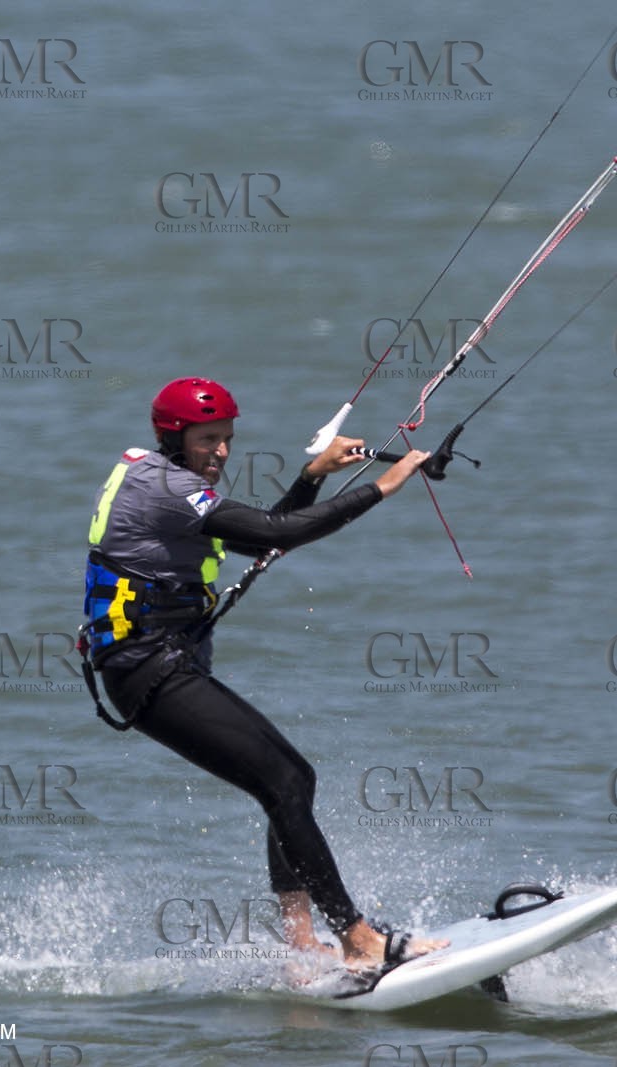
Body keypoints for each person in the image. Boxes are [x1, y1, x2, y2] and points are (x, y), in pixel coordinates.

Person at [80, 376, 446, 978]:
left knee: (291, 780)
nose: (220, 452)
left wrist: (314, 476)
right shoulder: (164, 488)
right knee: (284, 781)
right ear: (173, 437)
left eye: (227, 439)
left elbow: (263, 539)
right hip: (146, 669)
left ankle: (302, 944)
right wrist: (384, 485)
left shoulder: (165, 480)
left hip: (160, 662)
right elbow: (280, 534)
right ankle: (356, 938)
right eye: (207, 440)